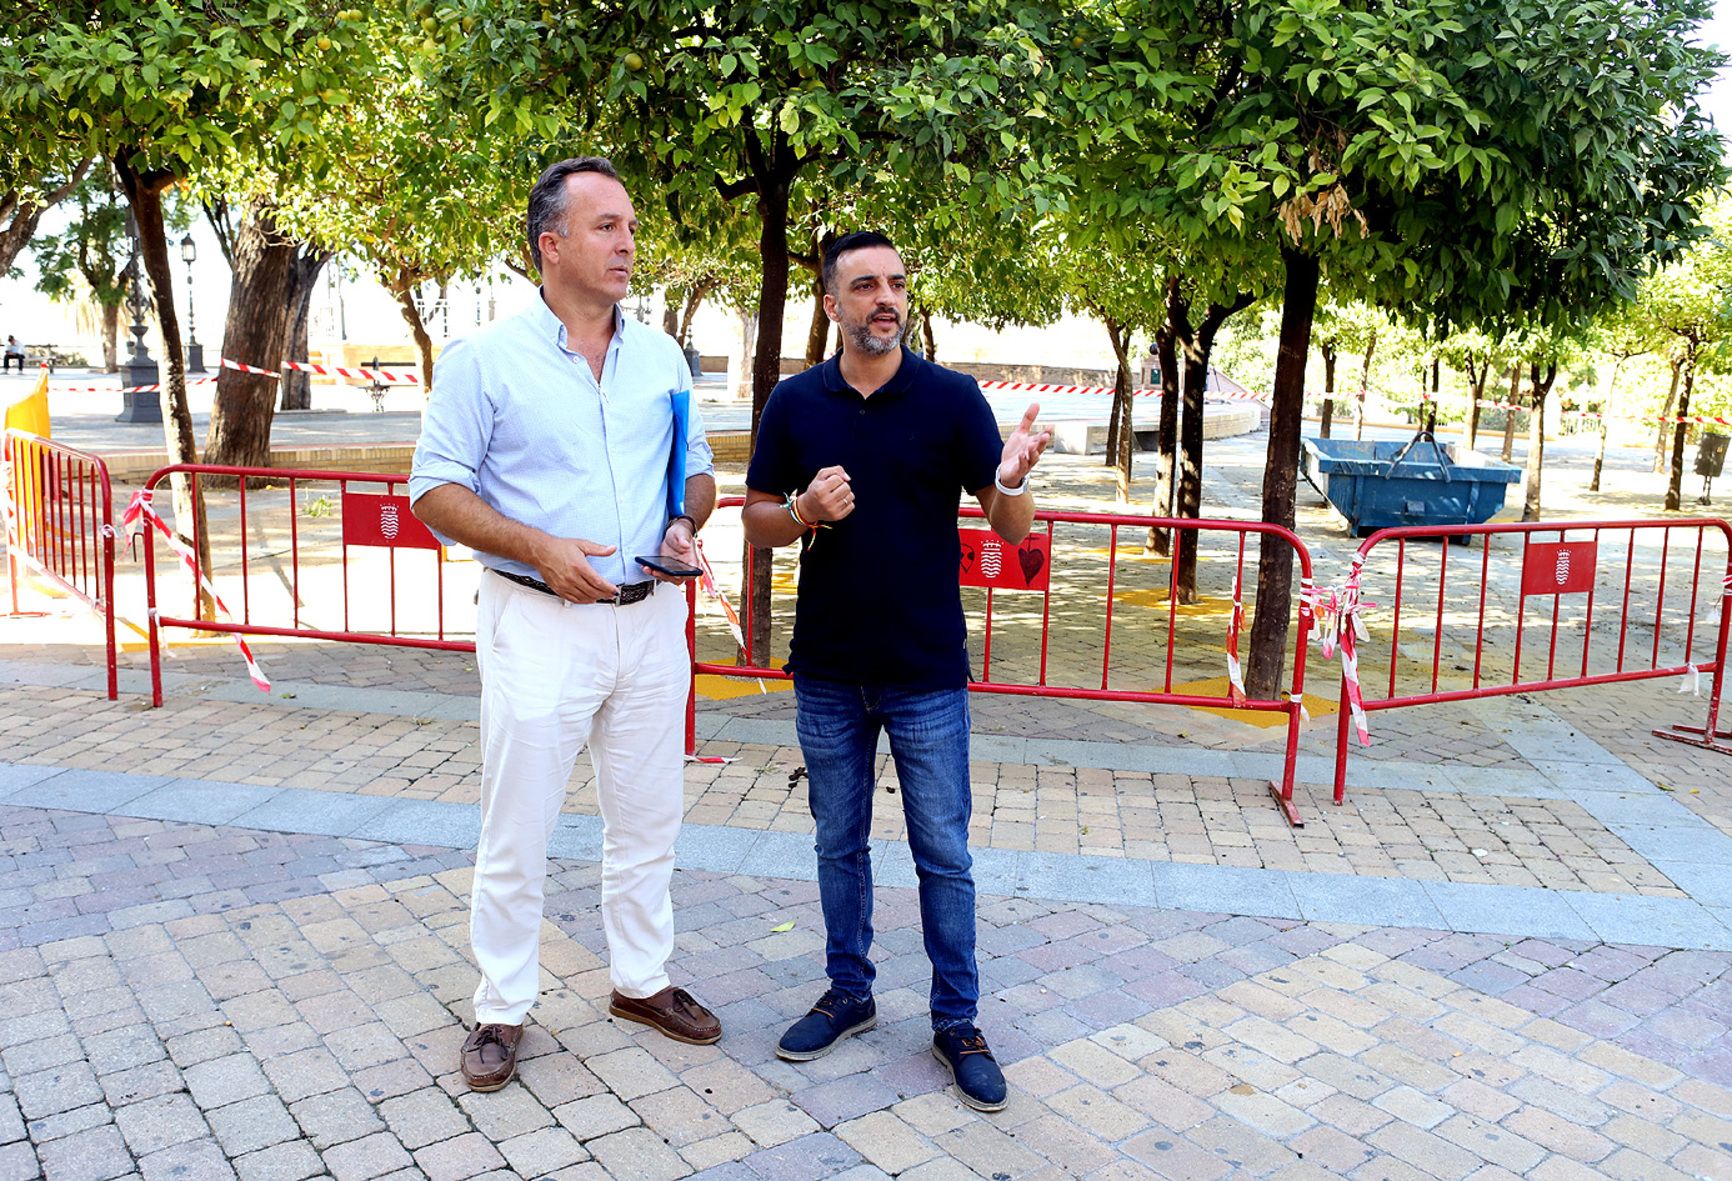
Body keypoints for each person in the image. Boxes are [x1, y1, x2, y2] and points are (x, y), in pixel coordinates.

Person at [410, 156, 721, 1093]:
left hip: (651, 619)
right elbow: (432, 489)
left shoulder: (662, 354)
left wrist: (684, 520)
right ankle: (501, 1003)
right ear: (551, 244)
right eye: (605, 226)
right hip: (538, 621)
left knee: (648, 816)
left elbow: (696, 469)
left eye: (629, 226)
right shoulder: (484, 361)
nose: (628, 242)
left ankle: (640, 979)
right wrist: (538, 546)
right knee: (519, 825)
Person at [742, 230, 1050, 1112]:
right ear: (833, 304)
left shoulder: (951, 400)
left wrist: (1015, 477)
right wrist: (800, 510)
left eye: (898, 284)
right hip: (829, 669)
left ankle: (958, 1020)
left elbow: (1012, 526)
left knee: (943, 852)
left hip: (925, 673)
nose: (886, 298)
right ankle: (851, 991)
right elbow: (758, 517)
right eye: (866, 285)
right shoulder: (796, 403)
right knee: (838, 842)